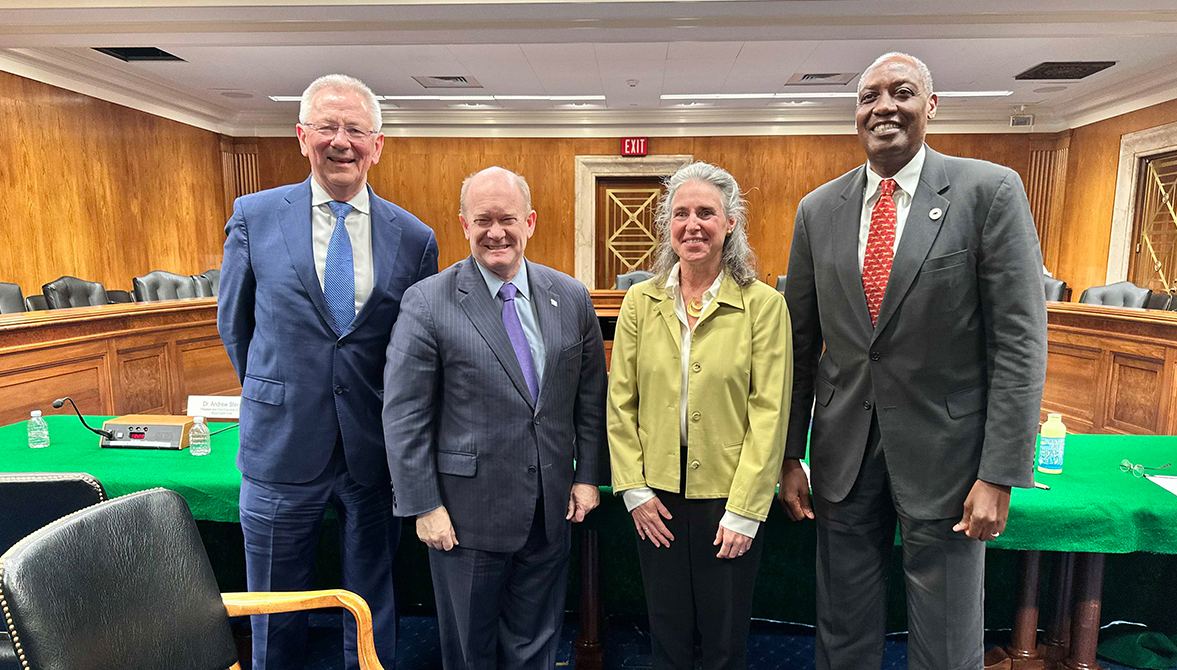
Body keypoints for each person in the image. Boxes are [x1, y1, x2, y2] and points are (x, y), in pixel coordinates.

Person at [779, 52, 1047, 670]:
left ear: (931, 106)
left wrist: (1000, 472)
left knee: (949, 638)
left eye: (901, 92)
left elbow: (1020, 343)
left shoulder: (989, 192)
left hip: (949, 457)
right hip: (843, 452)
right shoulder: (818, 210)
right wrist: (791, 453)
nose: (884, 107)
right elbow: (798, 342)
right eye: (869, 96)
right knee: (841, 627)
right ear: (856, 114)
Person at [217, 73, 439, 670]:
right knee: (274, 600)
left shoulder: (414, 237)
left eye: (356, 130)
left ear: (378, 144)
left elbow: (414, 349)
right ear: (301, 136)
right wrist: (277, 394)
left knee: (371, 597)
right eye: (327, 127)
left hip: (373, 449)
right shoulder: (255, 217)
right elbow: (235, 327)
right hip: (281, 445)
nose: (341, 141)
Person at [382, 166, 608, 669]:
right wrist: (424, 506)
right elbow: (404, 415)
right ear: (463, 224)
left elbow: (590, 400)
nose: (496, 232)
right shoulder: (428, 301)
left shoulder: (570, 296)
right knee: (470, 652)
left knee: (536, 647)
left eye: (507, 219)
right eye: (482, 220)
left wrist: (588, 476)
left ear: (529, 221)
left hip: (549, 511)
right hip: (465, 517)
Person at [608, 162, 792, 670]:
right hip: (656, 492)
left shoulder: (764, 305)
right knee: (664, 631)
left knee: (724, 638)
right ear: (668, 224)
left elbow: (770, 414)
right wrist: (633, 489)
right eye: (681, 213)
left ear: (730, 222)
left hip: (728, 492)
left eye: (706, 213)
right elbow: (620, 403)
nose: (693, 224)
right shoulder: (639, 302)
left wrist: (747, 510)